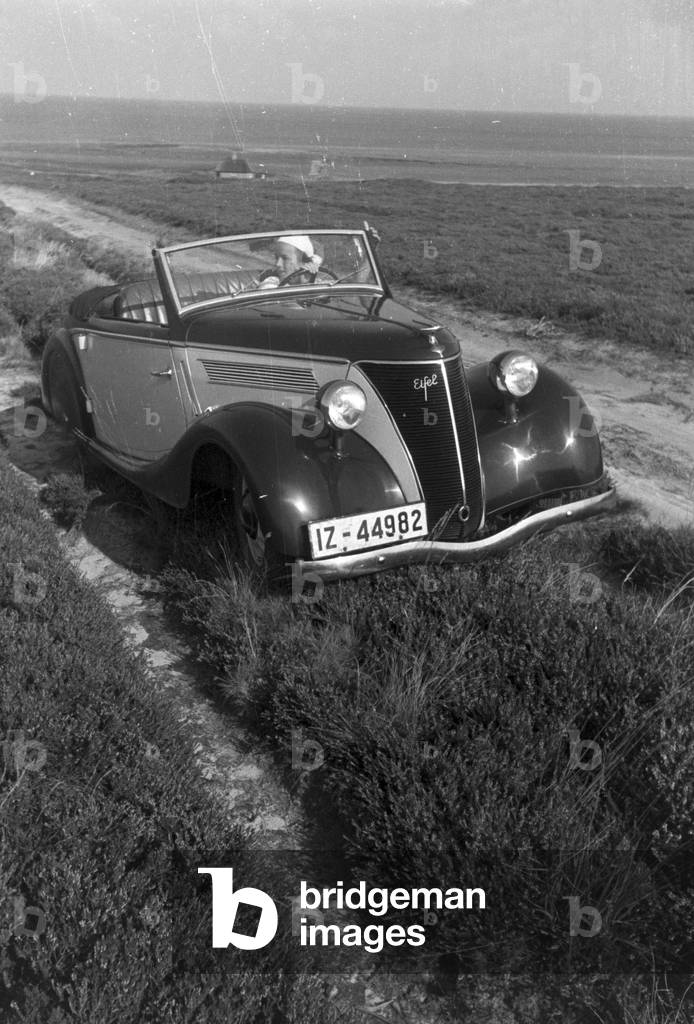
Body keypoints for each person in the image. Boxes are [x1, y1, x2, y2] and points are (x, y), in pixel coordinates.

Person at [258, 235, 324, 289]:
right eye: (276, 258)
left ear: (303, 263)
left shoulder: (319, 284)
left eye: (285, 258)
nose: (278, 264)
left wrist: (308, 282)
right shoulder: (271, 283)